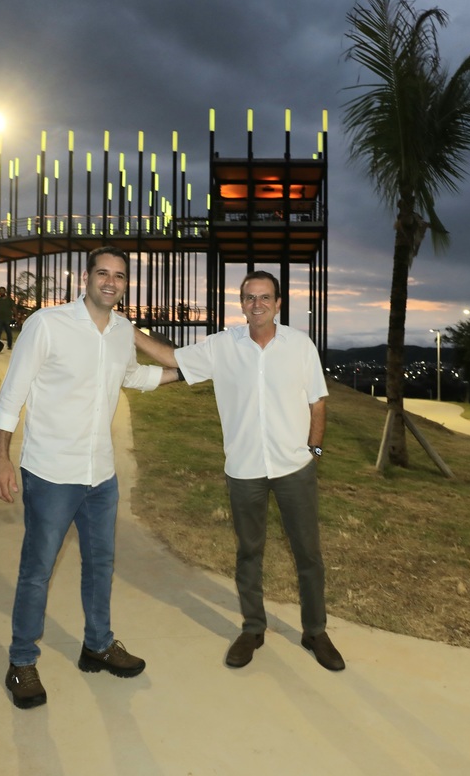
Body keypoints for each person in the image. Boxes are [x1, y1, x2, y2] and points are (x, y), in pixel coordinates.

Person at [0, 246, 178, 709]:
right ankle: (21, 662)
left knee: (100, 566)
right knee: (37, 571)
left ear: (126, 284)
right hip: (51, 473)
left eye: (119, 276)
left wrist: (185, 373)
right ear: (86, 277)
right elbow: (12, 394)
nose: (111, 282)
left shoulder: (121, 331)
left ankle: (97, 644)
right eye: (103, 273)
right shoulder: (47, 324)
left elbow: (132, 376)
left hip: (101, 475)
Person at [134, 270, 345, 673]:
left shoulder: (300, 346)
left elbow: (318, 402)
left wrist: (314, 451)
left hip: (294, 468)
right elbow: (171, 359)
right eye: (250, 297)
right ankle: (252, 628)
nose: (257, 304)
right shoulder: (222, 346)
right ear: (241, 303)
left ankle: (315, 631)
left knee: (308, 553)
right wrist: (129, 330)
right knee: (249, 551)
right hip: (244, 468)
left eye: (265, 297)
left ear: (278, 304)